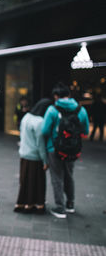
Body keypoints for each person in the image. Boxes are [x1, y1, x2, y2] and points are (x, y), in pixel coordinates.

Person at [42, 82, 89, 218]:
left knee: (57, 178)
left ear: (56, 96)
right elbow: (85, 131)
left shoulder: (52, 110)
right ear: (69, 95)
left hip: (54, 148)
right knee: (69, 175)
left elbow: (44, 131)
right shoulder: (81, 110)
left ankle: (59, 207)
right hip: (73, 149)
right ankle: (70, 204)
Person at [14, 99, 52, 214]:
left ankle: (23, 203)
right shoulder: (40, 121)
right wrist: (45, 161)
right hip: (35, 157)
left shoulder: (26, 117)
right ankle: (36, 204)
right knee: (37, 182)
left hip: (24, 154)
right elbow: (40, 144)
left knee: (25, 181)